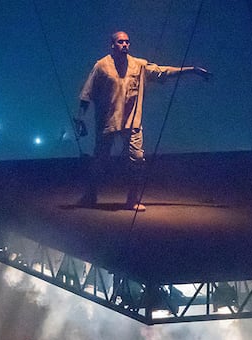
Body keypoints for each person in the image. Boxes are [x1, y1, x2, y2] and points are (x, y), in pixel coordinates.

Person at [75, 30, 212, 211]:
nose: (124, 45)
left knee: (137, 159)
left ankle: (132, 199)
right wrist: (80, 118)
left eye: (127, 42)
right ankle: (90, 195)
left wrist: (191, 70)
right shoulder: (101, 66)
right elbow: (87, 93)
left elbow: (163, 72)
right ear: (112, 45)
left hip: (132, 122)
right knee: (100, 160)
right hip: (108, 121)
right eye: (120, 42)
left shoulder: (139, 65)